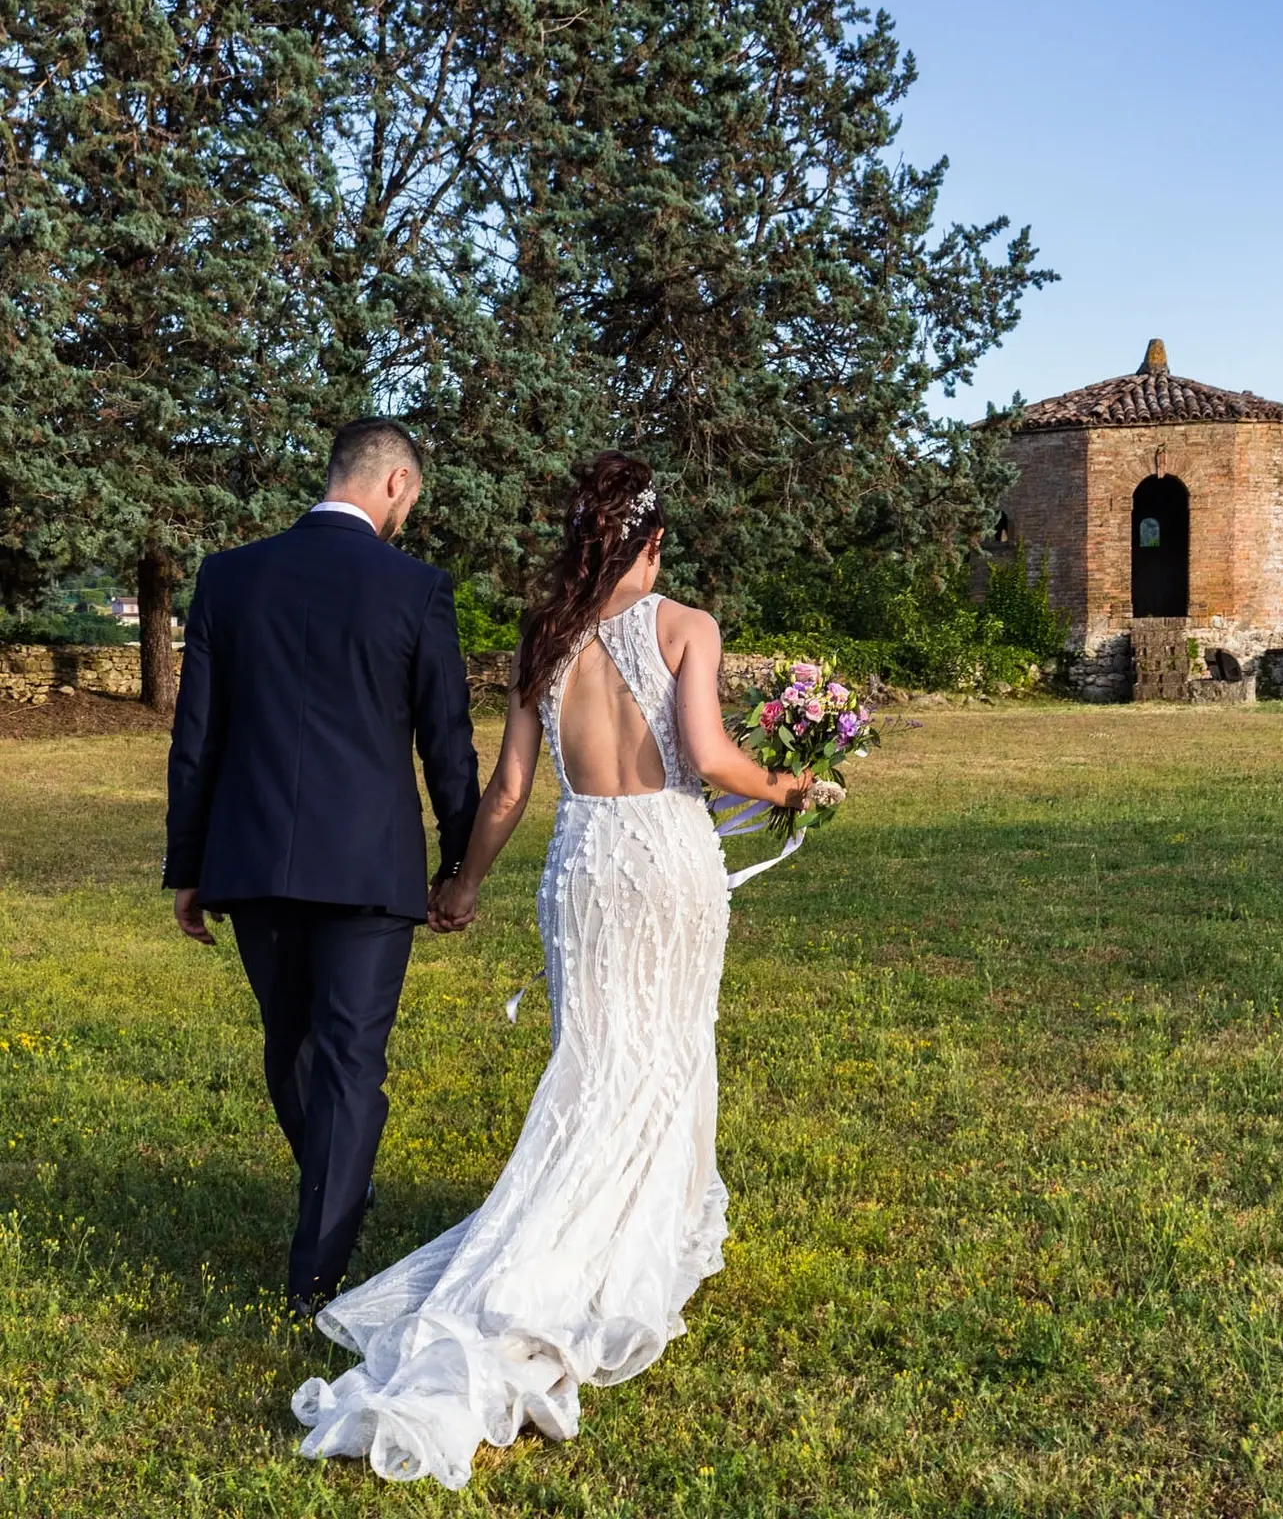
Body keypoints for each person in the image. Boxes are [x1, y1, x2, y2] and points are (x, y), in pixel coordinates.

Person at [291, 451, 812, 1487]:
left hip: (583, 863)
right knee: (661, 1049)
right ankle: (625, 1237)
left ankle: (575, 1222)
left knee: (593, 1054)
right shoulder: (687, 626)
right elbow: (709, 759)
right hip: (666, 858)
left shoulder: (546, 641)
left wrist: (463, 886)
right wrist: (789, 783)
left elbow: (508, 792)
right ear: (653, 542)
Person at [163, 418, 480, 1316]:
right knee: (345, 1060)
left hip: (251, 855)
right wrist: (460, 863)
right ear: (394, 486)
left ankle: (334, 1204)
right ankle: (317, 1274)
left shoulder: (230, 577)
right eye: (411, 499)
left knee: (293, 1046)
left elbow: (198, 739)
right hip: (370, 867)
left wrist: (188, 863)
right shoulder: (416, 590)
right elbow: (445, 745)